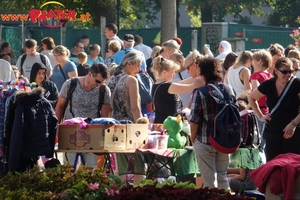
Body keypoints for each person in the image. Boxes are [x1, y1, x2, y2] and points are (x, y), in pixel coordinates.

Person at [190, 57, 234, 189]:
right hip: (224, 140)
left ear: (203, 74)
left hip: (205, 140)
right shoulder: (228, 89)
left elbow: (195, 120)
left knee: (208, 181)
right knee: (222, 177)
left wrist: (193, 139)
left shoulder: (200, 92)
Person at [55, 63, 111, 168]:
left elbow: (105, 117)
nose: (99, 85)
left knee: (90, 169)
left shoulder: (104, 90)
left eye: (102, 82)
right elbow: (60, 106)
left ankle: (90, 185)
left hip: (92, 134)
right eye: (98, 81)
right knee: (69, 168)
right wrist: (57, 128)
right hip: (71, 132)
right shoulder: (70, 84)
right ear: (90, 74)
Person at [248, 57, 300, 162]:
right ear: (276, 71)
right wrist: (260, 116)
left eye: (291, 71)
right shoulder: (269, 84)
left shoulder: (296, 84)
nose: (288, 75)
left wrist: (293, 124)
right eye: (284, 72)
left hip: (292, 133)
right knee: (272, 165)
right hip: (273, 131)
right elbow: (251, 98)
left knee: (291, 166)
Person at [107, 51, 145, 184]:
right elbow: (134, 107)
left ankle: (119, 193)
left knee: (120, 167)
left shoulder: (111, 79)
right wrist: (141, 126)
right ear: (129, 64)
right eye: (138, 65)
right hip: (130, 127)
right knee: (139, 166)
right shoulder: (131, 80)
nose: (139, 70)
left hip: (113, 126)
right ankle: (138, 193)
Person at [151, 56, 199, 123]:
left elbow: (179, 83)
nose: (174, 75)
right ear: (164, 72)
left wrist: (196, 76)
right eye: (172, 72)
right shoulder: (167, 86)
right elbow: (190, 88)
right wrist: (201, 78)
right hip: (169, 124)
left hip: (161, 122)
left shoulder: (156, 84)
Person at [250, 50, 272, 151]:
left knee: (256, 143)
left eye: (253, 60)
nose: (251, 63)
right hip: (268, 111)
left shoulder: (255, 76)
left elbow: (256, 93)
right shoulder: (270, 76)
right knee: (264, 142)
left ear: (259, 61)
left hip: (258, 111)